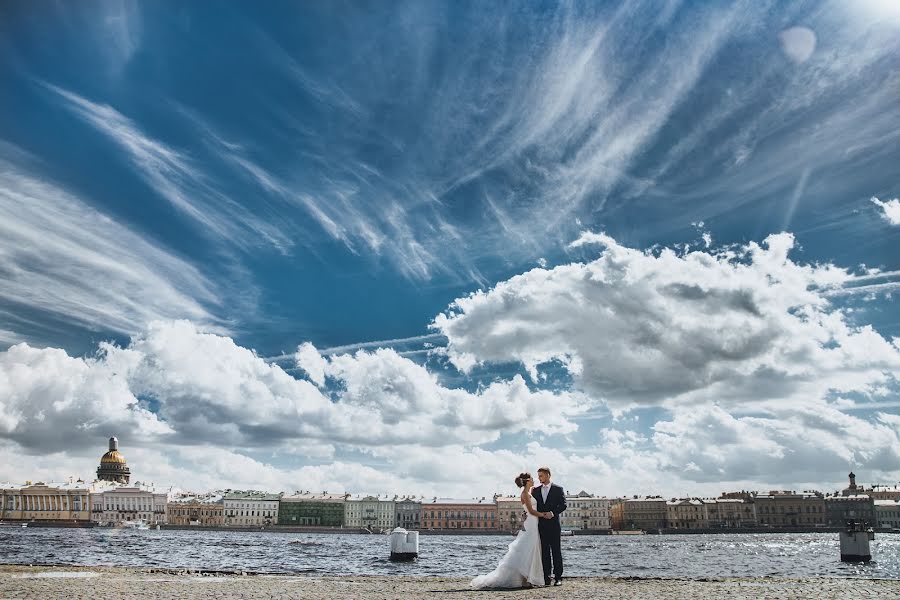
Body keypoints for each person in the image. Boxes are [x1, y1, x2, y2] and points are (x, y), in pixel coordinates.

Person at [470, 472, 547, 589]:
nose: (533, 480)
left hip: (532, 522)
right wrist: (544, 515)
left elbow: (527, 509)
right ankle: (526, 579)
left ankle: (526, 578)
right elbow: (531, 511)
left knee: (529, 548)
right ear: (527, 481)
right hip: (531, 522)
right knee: (528, 548)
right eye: (531, 478)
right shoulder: (525, 494)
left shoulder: (528, 493)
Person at [532, 466, 566, 586]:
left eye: (541, 475)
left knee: (556, 551)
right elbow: (533, 506)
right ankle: (546, 577)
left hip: (554, 525)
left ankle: (558, 577)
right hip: (541, 525)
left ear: (548, 475)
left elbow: (563, 505)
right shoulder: (535, 490)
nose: (539, 478)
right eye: (538, 475)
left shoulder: (558, 489)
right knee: (544, 552)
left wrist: (552, 513)